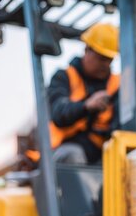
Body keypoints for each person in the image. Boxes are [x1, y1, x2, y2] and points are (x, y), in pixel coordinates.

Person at [45, 22, 120, 164]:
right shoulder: (64, 77)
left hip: (101, 151)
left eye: (109, 60)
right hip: (64, 148)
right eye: (101, 58)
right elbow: (59, 114)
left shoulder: (116, 84)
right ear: (87, 50)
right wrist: (86, 106)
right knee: (73, 156)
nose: (105, 64)